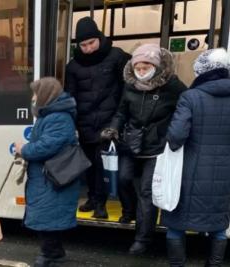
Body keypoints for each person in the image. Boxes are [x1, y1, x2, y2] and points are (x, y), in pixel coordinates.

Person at [101, 43, 187, 254]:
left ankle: (143, 239)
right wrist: (113, 128)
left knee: (146, 192)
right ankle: (130, 211)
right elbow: (121, 112)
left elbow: (185, 109)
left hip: (157, 147)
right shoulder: (130, 85)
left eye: (145, 67)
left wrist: (170, 135)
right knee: (123, 179)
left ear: (156, 66)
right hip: (132, 143)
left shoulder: (173, 86)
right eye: (137, 67)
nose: (141, 72)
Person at [162, 48, 230, 267]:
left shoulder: (190, 97)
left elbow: (176, 136)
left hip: (190, 170)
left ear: (200, 72)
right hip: (225, 172)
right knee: (219, 225)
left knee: (176, 224)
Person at [65, 17, 131, 218]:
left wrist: (119, 120)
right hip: (85, 122)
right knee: (89, 165)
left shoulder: (117, 57)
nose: (88, 49)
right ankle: (93, 198)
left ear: (99, 38)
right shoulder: (73, 66)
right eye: (83, 45)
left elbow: (126, 90)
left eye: (91, 43)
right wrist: (73, 124)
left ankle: (101, 204)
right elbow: (71, 96)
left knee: (103, 163)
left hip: (109, 122)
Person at [14, 77, 80, 267]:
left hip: (51, 179)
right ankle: (53, 253)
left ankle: (51, 255)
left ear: (45, 95)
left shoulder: (57, 117)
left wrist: (23, 149)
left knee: (48, 219)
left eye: (36, 94)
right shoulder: (52, 115)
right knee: (47, 217)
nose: (33, 98)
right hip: (47, 177)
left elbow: (47, 146)